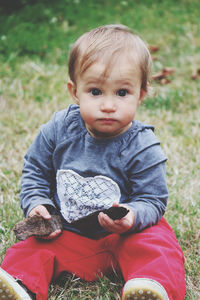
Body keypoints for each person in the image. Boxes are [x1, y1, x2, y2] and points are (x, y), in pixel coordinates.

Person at [0, 24, 185, 300]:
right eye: (96, 91)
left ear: (141, 94)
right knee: (30, 249)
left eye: (122, 92)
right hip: (69, 234)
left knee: (158, 242)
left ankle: (153, 285)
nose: (108, 105)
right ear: (75, 91)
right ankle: (20, 284)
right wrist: (38, 204)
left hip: (126, 237)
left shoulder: (143, 146)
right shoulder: (58, 129)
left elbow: (153, 199)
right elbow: (35, 172)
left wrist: (132, 216)